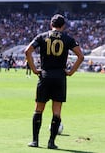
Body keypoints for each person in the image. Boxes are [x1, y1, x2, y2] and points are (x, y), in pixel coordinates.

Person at [25, 14, 84, 149]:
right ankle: (51, 142)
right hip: (59, 77)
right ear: (63, 26)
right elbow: (81, 56)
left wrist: (34, 69)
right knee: (56, 111)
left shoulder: (42, 36)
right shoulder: (67, 39)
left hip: (45, 75)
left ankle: (35, 141)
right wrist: (71, 72)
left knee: (38, 109)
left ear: (51, 24)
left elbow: (27, 51)